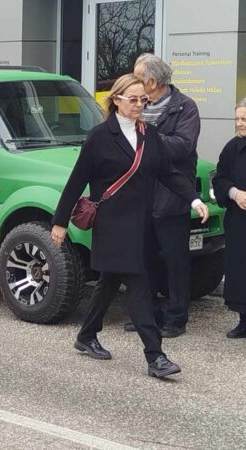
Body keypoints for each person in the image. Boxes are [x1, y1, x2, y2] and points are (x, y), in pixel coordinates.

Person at [51, 74, 208, 378]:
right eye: (133, 99)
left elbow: (168, 172)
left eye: (143, 100)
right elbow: (76, 181)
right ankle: (156, 356)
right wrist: (59, 222)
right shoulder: (99, 136)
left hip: (140, 223)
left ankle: (86, 336)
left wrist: (193, 199)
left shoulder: (149, 135)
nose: (139, 105)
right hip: (111, 224)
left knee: (109, 280)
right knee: (138, 283)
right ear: (116, 100)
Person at [125, 53, 201, 338]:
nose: (134, 82)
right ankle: (149, 314)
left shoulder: (186, 108)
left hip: (171, 198)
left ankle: (176, 318)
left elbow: (182, 147)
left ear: (153, 81)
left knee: (175, 260)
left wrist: (147, 135)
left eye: (138, 77)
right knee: (144, 259)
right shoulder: (138, 105)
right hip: (141, 197)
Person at [212, 98, 246, 339]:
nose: (240, 124)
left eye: (244, 119)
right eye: (237, 119)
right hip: (240, 221)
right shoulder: (232, 148)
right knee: (240, 270)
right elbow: (220, 178)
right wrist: (235, 194)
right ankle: (244, 320)